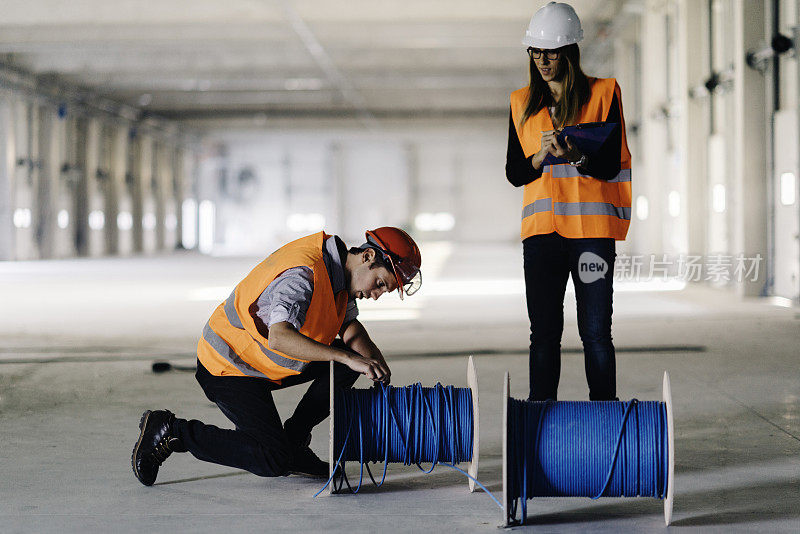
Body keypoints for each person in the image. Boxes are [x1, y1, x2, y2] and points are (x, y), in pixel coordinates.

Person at [131, 227, 422, 485]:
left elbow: (350, 329)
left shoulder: (340, 278)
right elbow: (279, 336)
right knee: (272, 459)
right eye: (381, 283)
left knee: (351, 362)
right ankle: (171, 430)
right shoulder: (304, 274)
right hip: (229, 365)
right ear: (368, 256)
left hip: (262, 364)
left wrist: (373, 360)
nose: (376, 294)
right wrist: (348, 358)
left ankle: (294, 440)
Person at [505, 2, 632, 401]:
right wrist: (539, 158)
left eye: (552, 52)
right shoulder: (521, 103)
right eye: (536, 52)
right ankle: (542, 421)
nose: (543, 60)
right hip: (542, 238)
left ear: (570, 51)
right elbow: (514, 173)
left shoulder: (605, 93)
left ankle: (604, 423)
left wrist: (577, 155)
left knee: (596, 333)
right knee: (543, 335)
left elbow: (611, 164)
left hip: (592, 236)